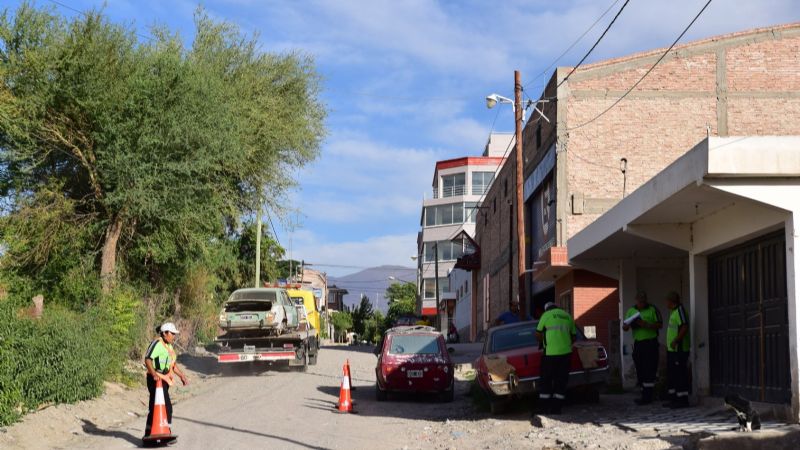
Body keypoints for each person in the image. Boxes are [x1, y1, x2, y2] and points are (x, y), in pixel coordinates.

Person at [144, 322, 188, 437]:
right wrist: (154, 374)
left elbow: (172, 364)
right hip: (155, 380)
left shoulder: (169, 346)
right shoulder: (157, 343)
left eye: (174, 334)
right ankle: (154, 433)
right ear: (164, 333)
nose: (174, 336)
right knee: (163, 406)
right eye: (172, 333)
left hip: (164, 379)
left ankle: (162, 431)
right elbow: (148, 359)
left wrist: (181, 375)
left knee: (159, 406)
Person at [536, 302, 577, 414]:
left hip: (550, 354)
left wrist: (543, 343)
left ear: (546, 309)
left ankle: (544, 408)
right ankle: (557, 408)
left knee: (546, 380)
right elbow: (574, 336)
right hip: (566, 354)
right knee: (561, 381)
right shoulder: (567, 315)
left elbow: (538, 333)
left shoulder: (546, 315)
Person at [622, 291, 663, 405]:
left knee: (649, 369)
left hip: (650, 343)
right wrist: (627, 325)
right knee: (640, 369)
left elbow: (660, 324)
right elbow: (624, 327)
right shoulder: (631, 311)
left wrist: (647, 325)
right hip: (638, 343)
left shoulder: (652, 309)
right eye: (640, 301)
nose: (642, 303)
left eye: (643, 301)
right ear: (636, 300)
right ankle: (643, 393)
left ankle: (648, 396)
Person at [665, 291, 691, 408]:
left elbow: (685, 326)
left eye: (667, 301)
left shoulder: (680, 310)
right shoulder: (674, 311)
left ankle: (682, 400)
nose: (666, 303)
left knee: (680, 374)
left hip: (679, 349)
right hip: (672, 350)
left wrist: (676, 340)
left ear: (671, 301)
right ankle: (674, 399)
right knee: (673, 375)